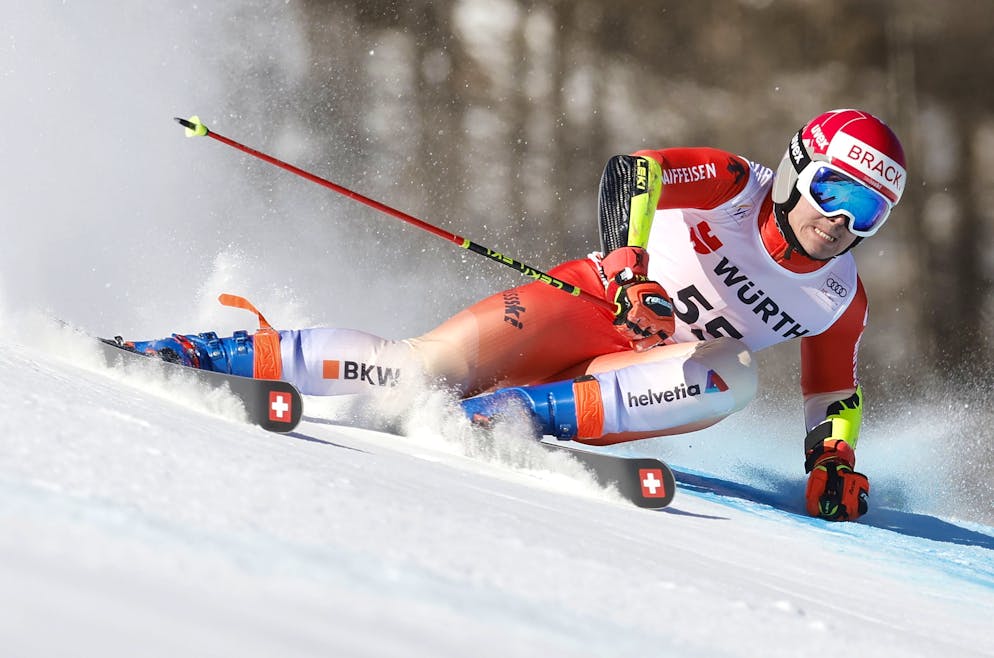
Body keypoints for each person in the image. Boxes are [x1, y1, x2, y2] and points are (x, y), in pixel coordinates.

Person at [122, 108, 906, 522]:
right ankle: (190, 352)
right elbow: (637, 173)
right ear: (801, 168)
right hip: (583, 307)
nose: (842, 220)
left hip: (636, 378)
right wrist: (630, 274)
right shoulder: (734, 182)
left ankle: (507, 417)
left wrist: (831, 464)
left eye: (868, 209)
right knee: (415, 369)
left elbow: (831, 389)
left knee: (732, 377)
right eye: (835, 189)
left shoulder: (838, 295)